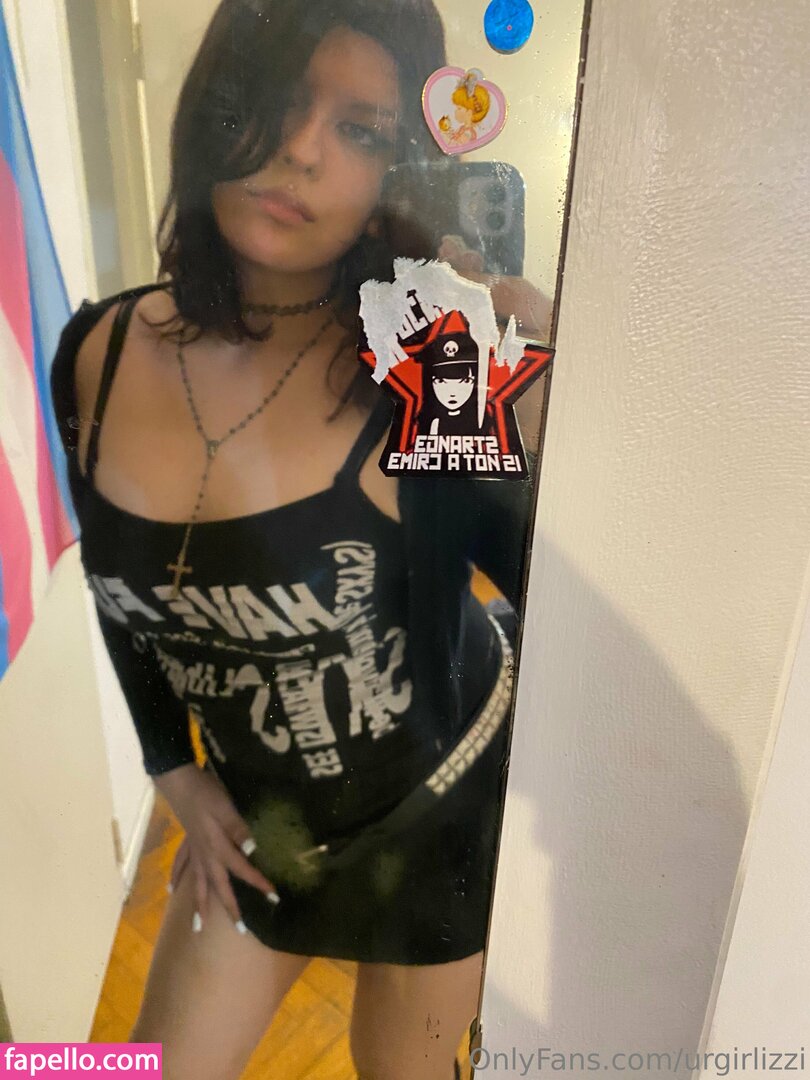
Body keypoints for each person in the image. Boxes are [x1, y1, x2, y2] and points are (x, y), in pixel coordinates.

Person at [50, 1, 537, 1076]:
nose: (301, 149)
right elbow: (119, 589)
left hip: (439, 817)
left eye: (360, 129)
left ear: (401, 167)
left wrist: (553, 428)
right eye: (274, 99)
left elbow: (560, 606)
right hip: (263, 834)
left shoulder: (432, 366)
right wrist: (171, 768)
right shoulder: (96, 353)